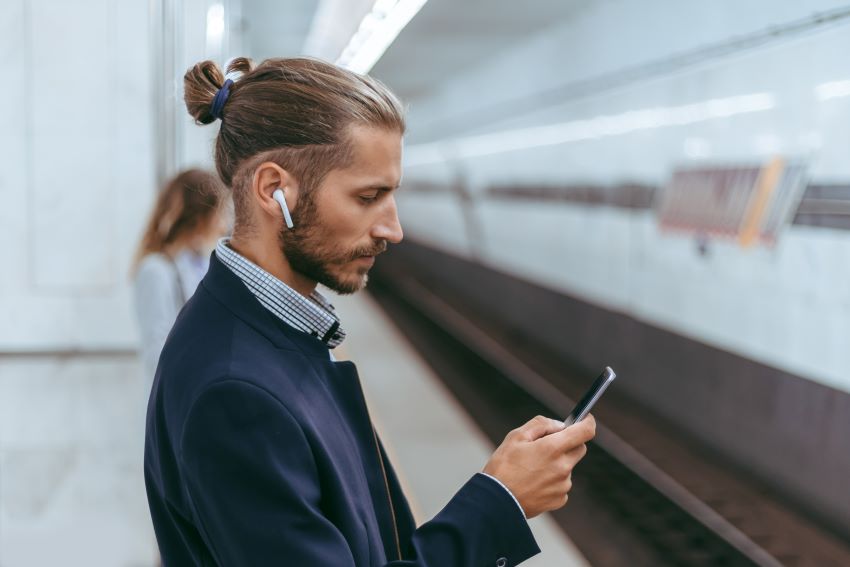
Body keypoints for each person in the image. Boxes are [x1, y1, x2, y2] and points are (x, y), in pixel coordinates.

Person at [144, 56, 597, 566]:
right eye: (369, 196)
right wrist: (501, 502)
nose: (393, 229)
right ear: (275, 191)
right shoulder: (234, 394)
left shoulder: (269, 333)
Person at [131, 169, 229, 382]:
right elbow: (157, 353)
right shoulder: (155, 270)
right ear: (200, 217)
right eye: (219, 215)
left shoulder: (198, 265)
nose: (223, 227)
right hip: (179, 395)